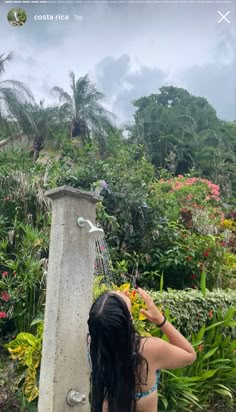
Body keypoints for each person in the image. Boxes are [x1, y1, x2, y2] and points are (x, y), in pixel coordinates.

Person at [87, 287, 196, 412]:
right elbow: (190, 355)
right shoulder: (149, 349)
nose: (120, 292)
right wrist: (160, 320)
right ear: (130, 320)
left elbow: (107, 326)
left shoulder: (93, 345)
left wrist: (117, 306)